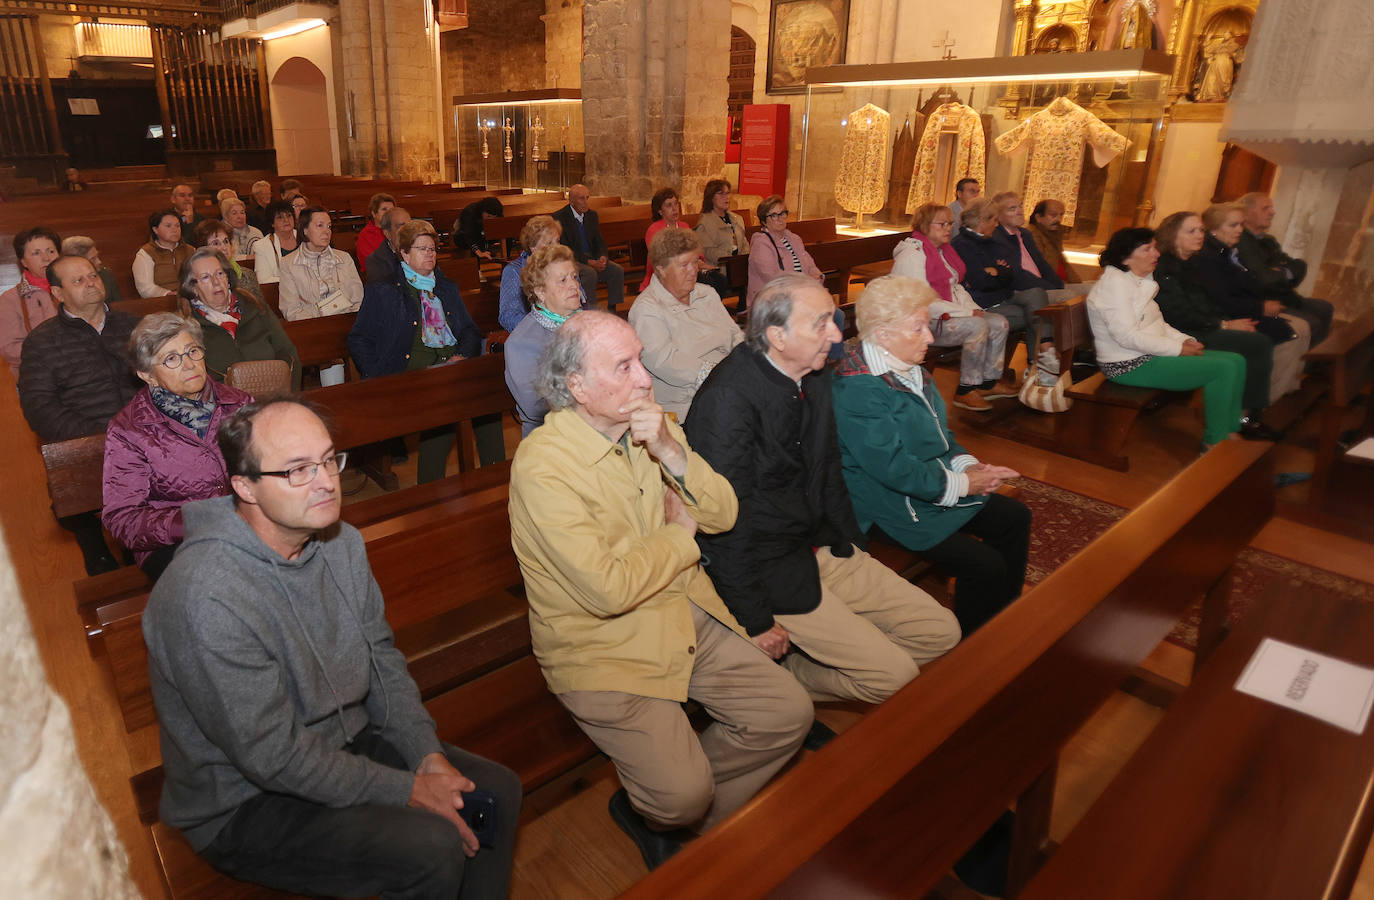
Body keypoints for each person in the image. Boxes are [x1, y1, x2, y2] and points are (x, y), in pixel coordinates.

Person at [142, 398, 521, 898]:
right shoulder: (204, 596)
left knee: (495, 792)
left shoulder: (340, 543)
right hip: (243, 801)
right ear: (244, 486)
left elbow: (381, 661)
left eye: (327, 460)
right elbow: (271, 756)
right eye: (298, 469)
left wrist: (424, 753)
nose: (325, 480)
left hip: (343, 740)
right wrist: (406, 789)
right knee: (430, 845)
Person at [508, 311, 811, 868]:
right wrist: (677, 536)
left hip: (680, 610)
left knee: (788, 712)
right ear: (576, 386)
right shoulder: (544, 466)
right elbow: (607, 590)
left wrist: (672, 451)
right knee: (680, 794)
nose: (645, 378)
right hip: (602, 647)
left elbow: (722, 513)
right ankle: (665, 808)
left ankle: (694, 830)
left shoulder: (649, 426)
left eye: (641, 359)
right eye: (623, 366)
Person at [685, 274, 961, 704]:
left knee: (941, 631)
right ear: (776, 335)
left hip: (822, 548)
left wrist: (851, 541)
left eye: (834, 320)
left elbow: (827, 467)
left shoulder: (812, 374)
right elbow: (722, 525)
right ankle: (793, 678)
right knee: (895, 678)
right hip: (770, 569)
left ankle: (834, 663)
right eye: (821, 324)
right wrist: (755, 619)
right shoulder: (728, 402)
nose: (837, 335)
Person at [832, 275, 1030, 634]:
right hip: (885, 505)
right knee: (985, 564)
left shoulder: (911, 371)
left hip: (924, 486)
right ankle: (973, 645)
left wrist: (972, 467)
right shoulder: (858, 389)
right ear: (883, 334)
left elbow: (941, 437)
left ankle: (1003, 620)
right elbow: (893, 469)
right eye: (918, 327)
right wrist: (964, 484)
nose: (930, 336)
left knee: (1016, 517)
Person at [102, 313, 253, 580]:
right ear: (148, 375)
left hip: (249, 522)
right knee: (227, 577)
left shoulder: (240, 404)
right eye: (171, 358)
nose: (189, 365)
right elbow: (122, 518)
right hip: (173, 544)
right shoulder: (129, 430)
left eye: (193, 351)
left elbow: (273, 466)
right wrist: (191, 522)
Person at [18, 253, 140, 576]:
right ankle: (96, 543)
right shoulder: (41, 343)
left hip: (144, 435)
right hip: (88, 441)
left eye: (93, 275)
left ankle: (138, 542)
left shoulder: (134, 326)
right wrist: (102, 432)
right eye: (79, 280)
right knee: (75, 486)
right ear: (57, 293)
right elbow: (39, 409)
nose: (91, 283)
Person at [348, 220, 492, 483]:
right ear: (403, 253)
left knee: (489, 403)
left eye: (433, 249)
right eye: (422, 248)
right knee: (444, 406)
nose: (430, 254)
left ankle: (494, 479)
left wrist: (463, 356)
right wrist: (377, 376)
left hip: (453, 366)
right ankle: (431, 487)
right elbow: (359, 339)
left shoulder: (445, 287)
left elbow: (470, 331)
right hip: (410, 375)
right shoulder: (384, 290)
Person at [1086, 227, 1247, 449]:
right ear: (1126, 257)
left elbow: (1157, 323)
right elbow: (1127, 337)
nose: (1156, 254)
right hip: (1127, 364)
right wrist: (1176, 348)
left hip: (1146, 355)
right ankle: (1214, 441)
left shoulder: (1136, 280)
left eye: (1154, 247)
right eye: (1147, 249)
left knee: (1236, 361)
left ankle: (1229, 429)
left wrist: (1184, 339)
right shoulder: (1114, 287)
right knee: (1223, 369)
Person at [1154, 211, 1298, 423]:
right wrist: (1225, 324)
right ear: (1173, 235)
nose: (1199, 235)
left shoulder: (1192, 263)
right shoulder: (1164, 266)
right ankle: (1248, 413)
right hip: (1180, 331)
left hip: (1203, 323)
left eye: (1201, 230)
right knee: (1257, 343)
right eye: (1191, 231)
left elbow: (1208, 302)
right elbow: (1178, 312)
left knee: (1257, 336)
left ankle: (1245, 413)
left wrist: (1228, 321)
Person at [892, 203, 1015, 411]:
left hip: (944, 314)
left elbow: (955, 288)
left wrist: (975, 309)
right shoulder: (912, 255)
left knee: (998, 322)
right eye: (942, 224)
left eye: (950, 223)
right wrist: (968, 313)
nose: (948, 228)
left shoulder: (942, 252)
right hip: (919, 322)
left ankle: (988, 382)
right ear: (924, 225)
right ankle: (966, 390)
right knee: (977, 326)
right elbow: (920, 302)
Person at [1194, 202, 1312, 402]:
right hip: (1227, 315)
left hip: (1241, 309)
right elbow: (1220, 299)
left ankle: (1281, 390)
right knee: (1289, 335)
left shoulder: (1226, 252)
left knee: (1302, 327)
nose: (1240, 230)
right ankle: (1264, 400)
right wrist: (1260, 307)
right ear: (1214, 229)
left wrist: (1262, 303)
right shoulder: (1209, 257)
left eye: (1241, 224)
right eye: (1233, 225)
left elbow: (1251, 283)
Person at [629, 228, 742, 422]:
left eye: (695, 262)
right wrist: (724, 375)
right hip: (687, 404)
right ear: (661, 269)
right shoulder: (647, 309)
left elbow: (734, 334)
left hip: (729, 385)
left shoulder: (707, 294)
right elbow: (667, 362)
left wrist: (747, 362)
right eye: (684, 265)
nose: (693, 271)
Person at [952, 199, 1057, 377]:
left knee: (1037, 296)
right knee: (1036, 314)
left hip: (1002, 294)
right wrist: (998, 272)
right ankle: (1039, 366)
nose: (996, 224)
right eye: (993, 220)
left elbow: (1010, 272)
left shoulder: (990, 241)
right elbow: (981, 282)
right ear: (982, 221)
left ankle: (1044, 350)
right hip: (983, 302)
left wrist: (997, 272)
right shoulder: (962, 244)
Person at [177, 247, 301, 391]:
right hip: (223, 408)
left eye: (219, 273)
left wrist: (288, 399)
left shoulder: (255, 306)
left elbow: (288, 354)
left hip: (272, 398)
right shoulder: (186, 326)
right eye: (206, 277)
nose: (216, 282)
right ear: (193, 288)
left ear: (228, 278)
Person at [1237, 192, 1334, 345]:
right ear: (1247, 214)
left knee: (1324, 308)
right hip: (1265, 300)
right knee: (1312, 322)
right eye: (1265, 208)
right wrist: (1282, 274)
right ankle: (1304, 363)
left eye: (1272, 208)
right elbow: (1263, 279)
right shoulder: (1241, 241)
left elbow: (1299, 266)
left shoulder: (1268, 241)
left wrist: (1281, 272)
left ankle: (1316, 361)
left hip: (1284, 296)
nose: (1272, 212)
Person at [505, 244, 583, 435]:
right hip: (552, 440)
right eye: (562, 280)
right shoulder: (522, 342)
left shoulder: (589, 323)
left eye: (574, 276)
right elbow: (538, 407)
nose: (574, 284)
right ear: (540, 291)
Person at [499, 215, 587, 332]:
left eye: (557, 241)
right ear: (533, 248)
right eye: (549, 243)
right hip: (535, 336)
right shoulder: (514, 271)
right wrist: (542, 330)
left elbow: (581, 302)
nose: (556, 248)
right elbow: (508, 316)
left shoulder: (565, 267)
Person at [278, 207, 364, 321]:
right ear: (305, 230)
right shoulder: (288, 264)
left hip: (348, 324)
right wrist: (320, 325)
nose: (326, 231)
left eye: (329, 226)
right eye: (320, 225)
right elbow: (291, 310)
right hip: (312, 329)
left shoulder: (344, 258)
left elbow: (359, 300)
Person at [553, 183, 625, 313]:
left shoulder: (592, 216)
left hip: (591, 257)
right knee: (590, 273)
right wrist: (589, 262)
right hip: (572, 260)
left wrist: (602, 257)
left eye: (587, 198)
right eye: (581, 198)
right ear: (572, 200)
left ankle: (613, 308)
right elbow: (566, 249)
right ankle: (591, 311)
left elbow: (599, 241)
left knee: (616, 270)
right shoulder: (560, 218)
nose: (585, 202)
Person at [0, 226, 61, 377]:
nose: (46, 258)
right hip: (38, 376)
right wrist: (55, 351)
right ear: (23, 262)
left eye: (51, 251)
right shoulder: (10, 299)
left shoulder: (74, 288)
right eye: (36, 253)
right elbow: (9, 349)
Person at [746, 196, 823, 308]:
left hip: (798, 296)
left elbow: (810, 265)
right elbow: (774, 278)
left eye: (782, 213)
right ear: (764, 221)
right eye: (774, 215)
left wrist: (817, 276)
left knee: (834, 313)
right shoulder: (761, 244)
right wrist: (805, 283)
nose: (780, 218)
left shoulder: (794, 239)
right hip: (770, 303)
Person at [694, 178, 748, 300]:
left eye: (728, 193)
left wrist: (742, 259)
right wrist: (732, 260)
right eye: (721, 193)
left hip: (739, 266)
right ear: (711, 197)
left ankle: (745, 308)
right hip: (720, 267)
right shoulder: (705, 222)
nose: (726, 197)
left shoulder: (736, 219)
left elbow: (744, 243)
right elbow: (707, 251)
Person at [194, 219, 265, 306]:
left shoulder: (248, 275)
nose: (224, 247)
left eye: (226, 241)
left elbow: (261, 310)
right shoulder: (199, 281)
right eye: (216, 243)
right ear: (203, 249)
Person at [640, 187, 693, 291]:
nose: (674, 208)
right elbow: (660, 258)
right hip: (661, 277)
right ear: (660, 211)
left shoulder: (685, 226)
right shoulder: (654, 230)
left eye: (676, 204)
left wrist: (698, 260)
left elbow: (695, 251)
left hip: (685, 273)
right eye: (669, 205)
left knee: (715, 280)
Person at [133, 210, 194, 298]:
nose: (175, 230)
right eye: (168, 226)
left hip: (191, 298)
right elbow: (145, 288)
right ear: (155, 230)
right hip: (162, 301)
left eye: (177, 226)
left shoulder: (190, 250)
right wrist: (167, 294)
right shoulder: (146, 253)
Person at [1027, 199, 1083, 284]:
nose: (1059, 219)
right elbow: (1041, 266)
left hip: (1063, 283)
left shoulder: (1054, 233)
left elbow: (1064, 264)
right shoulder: (1031, 234)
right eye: (1053, 215)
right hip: (1049, 286)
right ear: (1038, 217)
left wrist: (1078, 283)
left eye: (1061, 215)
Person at [62, 235, 124, 305]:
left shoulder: (106, 274)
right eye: (93, 259)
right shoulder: (66, 283)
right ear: (76, 261)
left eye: (97, 256)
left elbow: (119, 305)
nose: (99, 262)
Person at [250, 200, 299, 285]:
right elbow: (263, 279)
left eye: (289, 216)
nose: (286, 220)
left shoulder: (306, 237)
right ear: (272, 223)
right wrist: (294, 281)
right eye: (280, 217)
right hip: (280, 294)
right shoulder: (261, 246)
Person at [364, 206, 412, 286]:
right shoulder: (376, 261)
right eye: (401, 227)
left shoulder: (421, 252)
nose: (408, 231)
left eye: (410, 226)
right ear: (387, 233)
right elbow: (386, 294)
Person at [356, 192, 395, 278]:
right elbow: (371, 263)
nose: (389, 213)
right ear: (374, 213)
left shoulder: (397, 230)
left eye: (391, 210)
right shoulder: (366, 235)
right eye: (384, 209)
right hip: (377, 277)